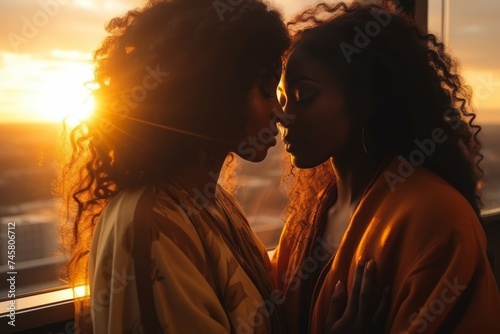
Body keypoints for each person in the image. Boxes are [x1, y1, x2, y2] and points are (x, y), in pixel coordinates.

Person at [59, 0, 384, 333]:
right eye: (265, 90)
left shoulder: (210, 203)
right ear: (213, 94)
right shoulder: (152, 226)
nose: (280, 112)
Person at [272, 1, 500, 333]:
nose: (283, 118)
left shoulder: (437, 217)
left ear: (367, 99)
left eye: (304, 95)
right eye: (281, 100)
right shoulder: (305, 221)